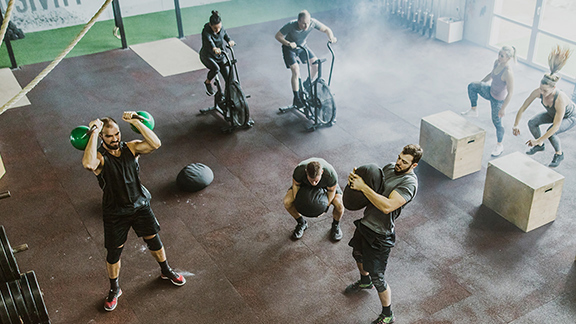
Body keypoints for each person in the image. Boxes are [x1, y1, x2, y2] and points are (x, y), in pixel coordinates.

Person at [82, 112, 185, 312]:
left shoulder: (130, 148)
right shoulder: (100, 159)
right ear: (103, 137)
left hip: (140, 205)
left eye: (117, 134)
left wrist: (136, 122)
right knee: (114, 253)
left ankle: (165, 270)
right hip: (115, 213)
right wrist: (94, 132)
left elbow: (155, 144)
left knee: (154, 240)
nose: (115, 139)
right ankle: (114, 289)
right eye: (109, 136)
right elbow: (87, 163)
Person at [344, 144, 422, 324]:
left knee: (378, 277)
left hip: (381, 233)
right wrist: (355, 182)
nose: (399, 163)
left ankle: (388, 314)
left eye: (405, 162)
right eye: (399, 158)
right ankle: (364, 281)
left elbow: (387, 206)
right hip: (366, 223)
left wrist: (363, 187)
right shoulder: (388, 167)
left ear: (414, 165)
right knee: (357, 254)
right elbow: (371, 189)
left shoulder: (409, 183)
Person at [512, 45, 575, 168]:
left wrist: (540, 138)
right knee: (532, 122)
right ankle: (539, 147)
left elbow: (556, 125)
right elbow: (522, 108)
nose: (542, 92)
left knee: (551, 132)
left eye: (545, 91)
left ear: (554, 88)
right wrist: (516, 124)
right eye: (541, 88)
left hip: (570, 117)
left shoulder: (560, 99)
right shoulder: (538, 92)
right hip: (553, 113)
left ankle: (559, 154)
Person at [275, 10, 337, 108]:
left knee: (316, 65)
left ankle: (307, 83)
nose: (306, 26)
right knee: (296, 71)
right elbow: (278, 36)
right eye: (303, 23)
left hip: (302, 47)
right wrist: (288, 43)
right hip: (289, 49)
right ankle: (297, 98)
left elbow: (326, 29)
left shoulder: (312, 22)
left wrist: (331, 37)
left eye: (308, 23)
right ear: (298, 21)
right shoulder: (291, 25)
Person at [462, 45, 516, 157]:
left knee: (497, 123)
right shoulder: (497, 63)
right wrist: (480, 84)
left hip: (498, 100)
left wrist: (503, 108)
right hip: (490, 91)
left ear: (508, 58)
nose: (499, 57)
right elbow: (491, 75)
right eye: (499, 54)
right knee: (472, 86)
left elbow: (510, 93)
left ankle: (499, 145)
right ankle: (473, 110)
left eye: (502, 56)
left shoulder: (508, 73)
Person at [283, 158, 344, 241]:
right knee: (287, 202)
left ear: (322, 172)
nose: (314, 183)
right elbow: (296, 185)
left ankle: (336, 225)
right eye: (312, 180)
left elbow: (331, 190)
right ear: (306, 172)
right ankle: (301, 223)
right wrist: (298, 201)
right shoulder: (299, 170)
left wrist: (325, 208)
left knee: (339, 204)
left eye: (316, 180)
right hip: (305, 185)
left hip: (326, 186)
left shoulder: (330, 174)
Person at [200, 10, 235, 96]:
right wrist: (214, 48)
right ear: (210, 25)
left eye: (219, 27)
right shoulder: (206, 31)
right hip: (208, 56)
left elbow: (225, 34)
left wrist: (229, 41)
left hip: (220, 55)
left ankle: (229, 97)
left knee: (228, 78)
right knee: (216, 69)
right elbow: (209, 40)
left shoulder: (220, 28)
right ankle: (207, 82)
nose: (218, 30)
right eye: (215, 28)